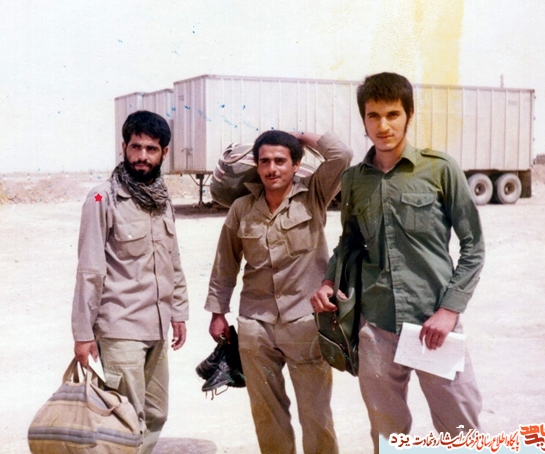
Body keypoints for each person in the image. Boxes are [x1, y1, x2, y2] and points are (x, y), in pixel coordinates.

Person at [311, 72, 485, 453]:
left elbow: (474, 246)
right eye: (373, 116)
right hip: (377, 328)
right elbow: (349, 243)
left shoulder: (440, 170)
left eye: (393, 114)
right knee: (389, 436)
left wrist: (449, 311)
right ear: (363, 120)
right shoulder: (354, 180)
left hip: (433, 326)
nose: (383, 125)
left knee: (462, 432)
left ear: (409, 115)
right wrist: (327, 282)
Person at [205, 129, 352, 453]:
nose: (272, 168)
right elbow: (225, 263)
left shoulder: (314, 195)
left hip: (305, 324)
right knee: (267, 416)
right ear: (257, 166)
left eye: (280, 161)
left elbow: (342, 155)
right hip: (256, 326)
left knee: (316, 415)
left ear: (296, 165)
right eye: (265, 161)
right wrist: (218, 313)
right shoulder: (242, 208)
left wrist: (300, 136)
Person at [71, 110, 189, 454]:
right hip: (120, 327)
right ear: (123, 147)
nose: (142, 156)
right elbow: (90, 269)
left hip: (157, 325)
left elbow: (173, 260)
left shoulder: (160, 200)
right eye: (135, 147)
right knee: (126, 418)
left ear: (164, 153)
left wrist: (178, 312)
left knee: (155, 413)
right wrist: (83, 333)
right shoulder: (102, 198)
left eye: (151, 149)